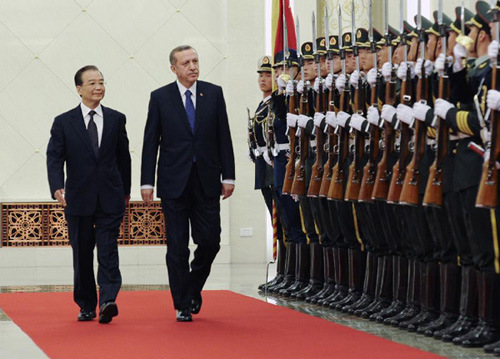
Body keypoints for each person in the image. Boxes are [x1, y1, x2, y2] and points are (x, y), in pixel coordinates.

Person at [140, 45, 235, 322]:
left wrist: (228, 175)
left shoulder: (213, 93)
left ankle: (192, 286)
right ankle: (182, 303)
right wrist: (147, 182)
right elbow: (150, 143)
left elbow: (223, 136)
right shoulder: (160, 97)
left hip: (207, 181)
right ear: (174, 68)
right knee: (177, 246)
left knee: (210, 241)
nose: (193, 66)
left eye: (195, 61)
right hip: (173, 182)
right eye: (186, 63)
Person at [46, 65, 131, 324]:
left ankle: (108, 300)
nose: (99, 87)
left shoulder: (117, 119)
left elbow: (123, 158)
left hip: (110, 196)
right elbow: (54, 157)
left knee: (108, 249)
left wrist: (126, 191)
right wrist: (57, 186)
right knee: (82, 253)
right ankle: (85, 304)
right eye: (92, 83)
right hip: (78, 198)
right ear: (79, 89)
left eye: (102, 82)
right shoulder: (64, 122)